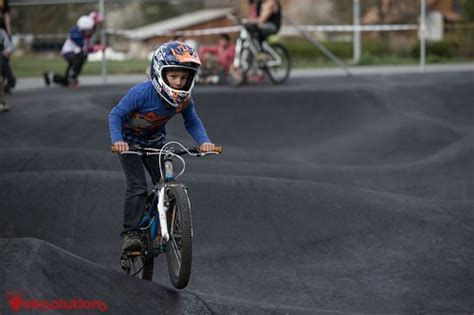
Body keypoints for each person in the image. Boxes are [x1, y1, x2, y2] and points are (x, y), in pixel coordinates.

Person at [109, 41, 216, 251]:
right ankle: (131, 234)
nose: (178, 82)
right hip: (130, 144)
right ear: (160, 72)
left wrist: (204, 142)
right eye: (173, 76)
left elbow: (192, 121)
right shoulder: (142, 92)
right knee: (138, 186)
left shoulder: (183, 100)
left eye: (184, 78)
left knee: (166, 183)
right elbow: (116, 114)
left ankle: (166, 225)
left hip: (155, 143)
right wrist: (118, 141)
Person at [43, 15, 96, 87]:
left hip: (75, 54)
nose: (89, 32)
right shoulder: (75, 33)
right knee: (82, 55)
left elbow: (87, 48)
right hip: (68, 53)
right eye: (87, 30)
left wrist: (94, 48)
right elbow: (84, 47)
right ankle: (73, 76)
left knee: (66, 81)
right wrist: (95, 48)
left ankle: (50, 77)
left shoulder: (83, 35)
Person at [0, 20, 12, 112]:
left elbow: (9, 46)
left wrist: (7, 51)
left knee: (2, 80)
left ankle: (1, 102)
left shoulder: (2, 32)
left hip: (1, 58)